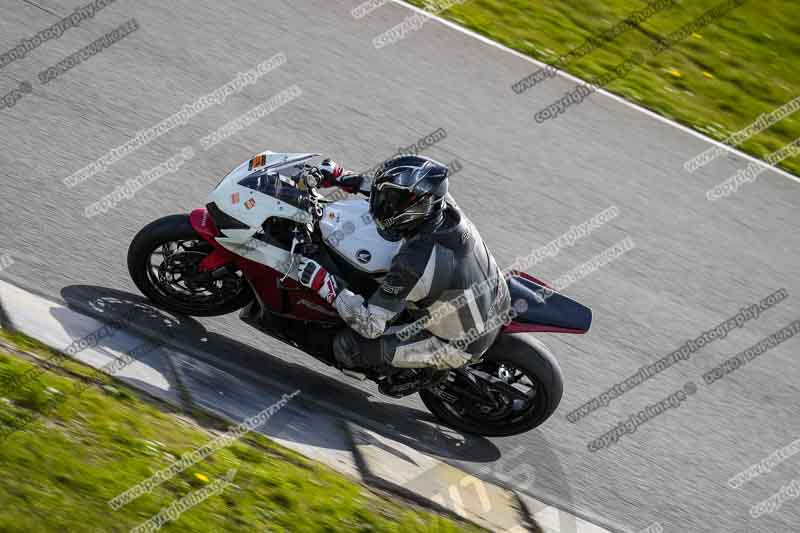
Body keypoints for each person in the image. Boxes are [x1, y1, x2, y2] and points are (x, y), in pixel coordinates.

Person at [296, 155, 510, 373]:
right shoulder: (441, 204)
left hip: (460, 345)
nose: (384, 206)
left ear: (416, 206)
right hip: (499, 297)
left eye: (391, 202)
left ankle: (396, 373)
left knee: (347, 347)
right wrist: (343, 177)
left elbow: (371, 326)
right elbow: (398, 193)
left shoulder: (414, 262)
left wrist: (324, 282)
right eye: (386, 198)